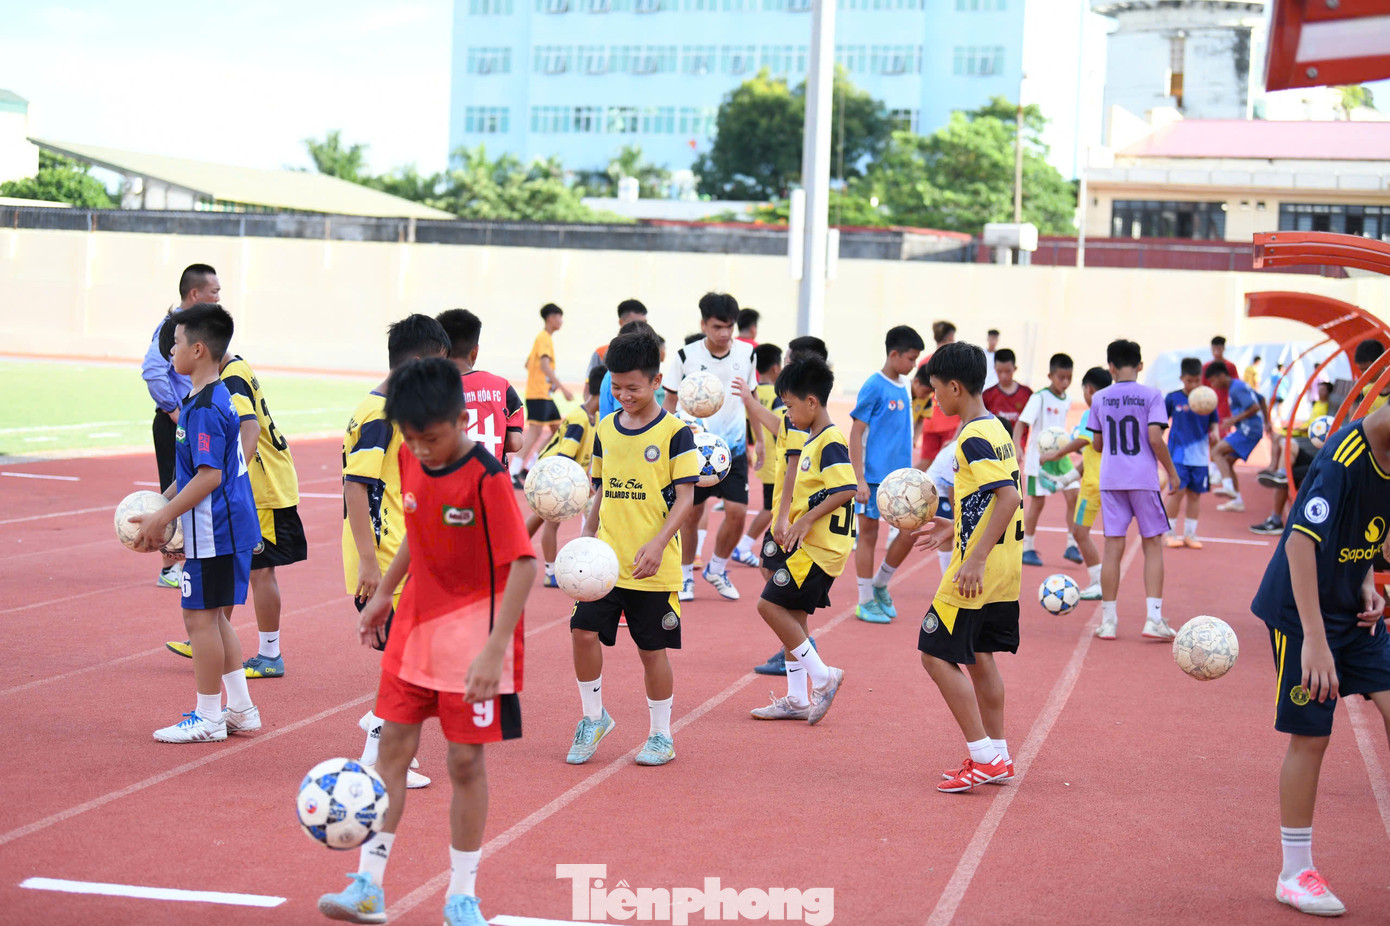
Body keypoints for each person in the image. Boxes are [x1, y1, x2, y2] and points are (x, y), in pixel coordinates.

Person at [320, 357, 536, 926]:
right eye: (411, 439)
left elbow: (522, 565)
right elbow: (417, 534)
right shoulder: (410, 458)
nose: (420, 449)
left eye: (431, 438)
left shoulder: (487, 477)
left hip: (477, 641)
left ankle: (462, 896)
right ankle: (368, 886)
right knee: (391, 751)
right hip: (415, 632)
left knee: (465, 764)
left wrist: (494, 649)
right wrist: (384, 594)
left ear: (462, 420)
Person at [1249, 406, 1390, 917]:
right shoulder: (1342, 458)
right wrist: (1313, 641)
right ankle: (1295, 872)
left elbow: (1370, 529)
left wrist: (1368, 580)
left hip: (1351, 611)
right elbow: (1300, 547)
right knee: (1313, 736)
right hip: (1299, 613)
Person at [129, 304, 261, 743]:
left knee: (198, 619)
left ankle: (209, 718)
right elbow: (191, 474)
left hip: (216, 528)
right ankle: (240, 709)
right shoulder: (203, 398)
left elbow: (210, 476)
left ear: (198, 349)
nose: (170, 349)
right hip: (224, 525)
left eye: (177, 342)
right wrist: (159, 505)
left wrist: (164, 519)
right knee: (215, 619)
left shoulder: (204, 406)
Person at [567, 328, 699, 767]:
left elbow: (686, 498)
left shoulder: (676, 433)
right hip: (603, 563)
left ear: (657, 381)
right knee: (582, 633)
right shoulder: (605, 428)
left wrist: (660, 544)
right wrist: (587, 534)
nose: (623, 395)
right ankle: (594, 717)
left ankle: (661, 735)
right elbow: (601, 488)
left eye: (633, 388)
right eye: (616, 387)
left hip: (652, 566)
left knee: (651, 650)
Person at [343, 314, 452, 789]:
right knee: (411, 657)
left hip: (401, 553)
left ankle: (383, 735)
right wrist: (370, 563)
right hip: (386, 559)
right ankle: (380, 751)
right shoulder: (381, 413)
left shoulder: (393, 407)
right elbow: (355, 486)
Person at [912, 340, 1024, 793]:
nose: (936, 399)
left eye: (937, 390)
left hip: (977, 569)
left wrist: (973, 555)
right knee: (979, 658)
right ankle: (998, 754)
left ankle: (983, 756)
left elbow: (1009, 497)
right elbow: (993, 496)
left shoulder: (972, 437)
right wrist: (954, 525)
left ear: (956, 387)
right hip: (1003, 566)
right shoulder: (994, 428)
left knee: (934, 654)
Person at [746, 355, 853, 723]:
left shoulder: (830, 440)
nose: (787, 414)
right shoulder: (812, 440)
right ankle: (796, 698)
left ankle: (824, 677)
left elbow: (846, 488)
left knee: (768, 606)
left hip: (821, 551)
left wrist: (804, 520)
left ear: (812, 402)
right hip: (812, 548)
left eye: (790, 406)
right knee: (793, 615)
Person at [742, 336, 829, 677]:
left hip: (791, 513)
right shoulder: (799, 413)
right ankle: (797, 646)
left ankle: (800, 647)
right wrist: (750, 403)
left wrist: (782, 515)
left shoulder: (802, 415)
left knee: (776, 588)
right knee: (773, 575)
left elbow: (794, 461)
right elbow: (781, 431)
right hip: (790, 510)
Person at [663, 292, 759, 602]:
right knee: (691, 515)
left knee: (737, 512)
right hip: (695, 448)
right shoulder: (684, 356)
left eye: (729, 327)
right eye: (718, 327)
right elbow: (669, 402)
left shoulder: (747, 355)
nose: (724, 334)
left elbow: (752, 400)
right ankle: (686, 574)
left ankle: (716, 568)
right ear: (704, 324)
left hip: (733, 449)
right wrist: (667, 441)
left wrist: (759, 443)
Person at [1088, 339, 1180, 641]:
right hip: (1142, 478)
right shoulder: (1152, 395)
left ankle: (1109, 621)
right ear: (1140, 365)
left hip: (1111, 479)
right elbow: (1155, 438)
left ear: (1110, 367)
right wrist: (1172, 472)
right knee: (1152, 544)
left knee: (1113, 548)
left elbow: (1098, 444)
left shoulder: (1100, 397)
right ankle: (1153, 618)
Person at [141, 263, 220, 590]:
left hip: (194, 418)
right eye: (214, 291)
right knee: (175, 488)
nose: (218, 297)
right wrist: (175, 412)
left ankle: (189, 560)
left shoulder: (200, 327)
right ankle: (169, 567)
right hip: (176, 421)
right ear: (194, 293)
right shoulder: (172, 328)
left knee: (194, 488)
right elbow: (152, 370)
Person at [849, 325, 924, 624]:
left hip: (901, 479)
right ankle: (865, 600)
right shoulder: (874, 385)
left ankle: (881, 583)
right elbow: (856, 433)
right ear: (893, 354)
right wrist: (859, 479)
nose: (914, 364)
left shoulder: (903, 384)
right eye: (910, 358)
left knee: (911, 531)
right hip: (873, 477)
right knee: (868, 535)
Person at [527, 365, 604, 587]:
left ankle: (512, 552)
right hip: (555, 473)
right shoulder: (580, 418)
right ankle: (550, 571)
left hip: (566, 473)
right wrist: (577, 483)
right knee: (552, 521)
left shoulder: (595, 417)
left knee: (541, 517)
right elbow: (564, 456)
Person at [1014, 353, 1080, 567]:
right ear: (1050, 375)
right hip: (1039, 458)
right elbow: (1021, 423)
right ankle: (1027, 547)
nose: (1065, 382)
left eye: (1069, 378)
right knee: (1038, 503)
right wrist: (1017, 446)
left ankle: (1072, 544)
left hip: (1061, 456)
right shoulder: (1039, 398)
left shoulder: (1068, 399)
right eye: (1061, 377)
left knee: (1074, 495)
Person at [436, 309, 524, 466]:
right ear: (475, 352)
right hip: (494, 481)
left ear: (441, 350)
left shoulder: (433, 388)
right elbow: (515, 442)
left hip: (453, 481)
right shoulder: (503, 387)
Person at [733, 344, 784, 567]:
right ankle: (744, 546)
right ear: (776, 368)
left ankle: (745, 546)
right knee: (772, 508)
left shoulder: (752, 396)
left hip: (762, 457)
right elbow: (783, 429)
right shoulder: (776, 396)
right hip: (776, 460)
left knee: (773, 506)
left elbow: (745, 425)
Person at [512, 303, 572, 487]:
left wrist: (549, 383)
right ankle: (513, 471)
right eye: (559, 316)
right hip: (538, 394)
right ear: (550, 318)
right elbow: (544, 365)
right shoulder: (544, 338)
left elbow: (528, 363)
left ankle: (530, 465)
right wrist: (561, 387)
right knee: (536, 431)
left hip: (544, 394)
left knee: (558, 430)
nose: (561, 321)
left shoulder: (542, 339)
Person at [1162, 358, 1220, 551]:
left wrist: (1215, 433)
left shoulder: (1208, 398)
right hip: (1177, 456)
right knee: (1177, 494)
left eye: (1197, 380)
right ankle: (1169, 533)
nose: (1193, 385)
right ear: (1182, 378)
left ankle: (1190, 534)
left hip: (1200, 457)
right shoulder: (1173, 398)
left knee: (1195, 496)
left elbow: (1214, 422)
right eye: (1189, 381)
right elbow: (1161, 423)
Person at [1207, 361, 1267, 514]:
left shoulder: (1236, 388)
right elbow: (1261, 399)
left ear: (1221, 375)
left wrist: (1234, 420)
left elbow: (1254, 407)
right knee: (1227, 460)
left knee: (1216, 452)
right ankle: (1237, 501)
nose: (1213, 385)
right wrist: (1268, 422)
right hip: (1249, 429)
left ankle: (1227, 487)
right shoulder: (1237, 386)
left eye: (1213, 380)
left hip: (1249, 430)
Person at [918, 321, 959, 467]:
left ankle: (903, 485)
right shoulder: (954, 362)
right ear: (949, 337)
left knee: (926, 463)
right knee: (950, 466)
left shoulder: (924, 362)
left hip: (930, 421)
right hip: (950, 420)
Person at [584, 299, 647, 396]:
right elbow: (589, 389)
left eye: (644, 323)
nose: (640, 328)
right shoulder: (601, 353)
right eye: (634, 323)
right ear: (621, 322)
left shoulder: (648, 352)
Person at [981, 348, 1032, 432]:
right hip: (996, 443)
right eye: (999, 371)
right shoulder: (987, 395)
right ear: (994, 369)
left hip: (1019, 444)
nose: (1003, 376)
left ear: (1015, 368)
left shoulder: (1027, 394)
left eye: (1007, 371)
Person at [1202, 335, 1240, 423]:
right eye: (1214, 348)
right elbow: (1203, 386)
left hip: (1227, 402)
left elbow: (1235, 384)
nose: (1216, 351)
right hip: (1211, 401)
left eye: (1219, 348)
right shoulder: (1206, 366)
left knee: (1225, 426)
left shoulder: (1230, 366)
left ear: (1223, 348)